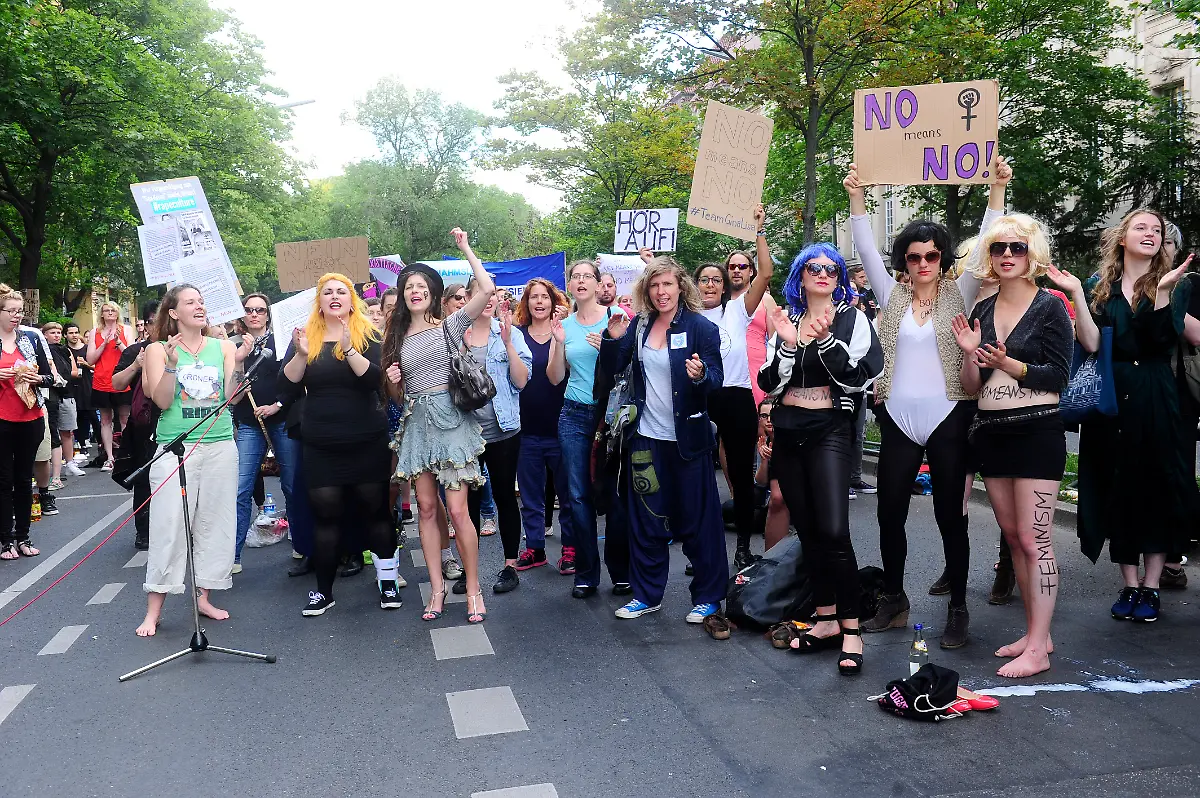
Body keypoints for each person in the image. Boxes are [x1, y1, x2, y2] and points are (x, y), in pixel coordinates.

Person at [845, 158, 1011, 648]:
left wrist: (996, 191)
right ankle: (894, 600)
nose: (923, 264)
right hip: (896, 415)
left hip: (948, 415)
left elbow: (984, 240)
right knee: (888, 512)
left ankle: (957, 607)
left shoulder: (958, 293)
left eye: (932, 256)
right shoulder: (888, 293)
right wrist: (857, 194)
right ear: (904, 261)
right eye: (915, 256)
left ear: (942, 259)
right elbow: (864, 247)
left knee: (948, 515)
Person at [1048, 209, 1197, 624]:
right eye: (1141, 227)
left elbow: (1159, 341)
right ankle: (1129, 584)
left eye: (1157, 230)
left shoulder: (1175, 285)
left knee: (1155, 486)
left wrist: (1163, 294)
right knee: (1117, 486)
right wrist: (1077, 291)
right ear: (1122, 237)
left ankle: (1151, 587)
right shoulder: (1101, 285)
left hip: (1153, 394)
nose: (1150, 234)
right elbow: (1093, 343)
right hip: (1110, 397)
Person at [954, 214, 1073, 678]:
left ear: (1032, 255)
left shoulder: (1050, 307)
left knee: (1034, 538)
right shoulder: (982, 312)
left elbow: (1058, 376)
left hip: (1037, 430)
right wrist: (969, 353)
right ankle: (1034, 633)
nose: (1007, 255)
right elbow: (971, 385)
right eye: (999, 247)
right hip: (992, 431)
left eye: (1017, 248)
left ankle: (1040, 648)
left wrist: (1011, 363)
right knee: (1015, 540)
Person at [758, 244, 884, 675]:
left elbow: (859, 376)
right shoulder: (786, 321)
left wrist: (826, 340)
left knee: (834, 529)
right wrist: (791, 345)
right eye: (814, 267)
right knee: (809, 530)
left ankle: (852, 628)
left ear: (839, 278)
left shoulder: (854, 319)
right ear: (801, 275)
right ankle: (826, 617)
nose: (824, 273)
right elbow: (769, 382)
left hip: (830, 430)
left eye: (831, 268)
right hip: (789, 430)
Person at [598, 257, 727, 624]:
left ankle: (708, 597)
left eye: (667, 285)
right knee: (647, 520)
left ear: (680, 287)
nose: (661, 292)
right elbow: (614, 366)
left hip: (688, 442)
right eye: (654, 286)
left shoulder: (700, 327)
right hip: (646, 440)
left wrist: (701, 375)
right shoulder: (639, 326)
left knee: (698, 521)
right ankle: (647, 594)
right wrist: (612, 335)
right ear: (647, 291)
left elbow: (716, 379)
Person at [383, 229, 495, 624]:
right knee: (427, 510)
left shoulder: (448, 326)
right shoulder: (394, 338)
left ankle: (475, 589)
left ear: (432, 290)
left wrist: (465, 246)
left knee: (458, 511)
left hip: (451, 424)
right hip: (417, 427)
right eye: (408, 286)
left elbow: (484, 288)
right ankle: (436, 589)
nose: (415, 291)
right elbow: (397, 397)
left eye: (421, 285)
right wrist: (394, 382)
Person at [282, 273, 399, 617]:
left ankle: (388, 584)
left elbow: (375, 382)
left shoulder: (370, 334)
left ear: (352, 299)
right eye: (327, 292)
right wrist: (301, 356)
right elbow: (286, 389)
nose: (334, 297)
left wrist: (348, 348)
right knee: (326, 517)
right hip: (321, 444)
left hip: (366, 440)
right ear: (319, 301)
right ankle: (323, 591)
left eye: (341, 292)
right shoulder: (305, 337)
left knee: (376, 513)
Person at [136, 285, 239, 636]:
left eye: (201, 301)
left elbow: (230, 397)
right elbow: (162, 402)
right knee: (168, 526)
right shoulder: (157, 349)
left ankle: (204, 597)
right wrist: (171, 366)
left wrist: (237, 362)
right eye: (191, 302)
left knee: (214, 523)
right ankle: (154, 609)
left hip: (219, 444)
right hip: (175, 447)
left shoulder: (223, 346)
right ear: (174, 312)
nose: (200, 306)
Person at [694, 203, 775, 570]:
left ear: (725, 286)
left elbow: (767, 273)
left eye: (717, 279)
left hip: (737, 397)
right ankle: (700, 549)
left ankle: (743, 547)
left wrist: (758, 228)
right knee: (696, 477)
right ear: (694, 287)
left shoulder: (737, 310)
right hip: (700, 398)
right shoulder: (686, 320)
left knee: (741, 477)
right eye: (704, 279)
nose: (710, 284)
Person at [549, 259, 628, 596]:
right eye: (575, 276)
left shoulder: (617, 320)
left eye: (587, 276)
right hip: (574, 414)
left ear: (599, 285)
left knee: (614, 494)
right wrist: (556, 342)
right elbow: (555, 378)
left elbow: (628, 369)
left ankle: (621, 571)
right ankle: (586, 573)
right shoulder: (563, 325)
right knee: (577, 495)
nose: (580, 281)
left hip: (609, 416)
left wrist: (610, 347)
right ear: (569, 285)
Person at [462, 280, 532, 593]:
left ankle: (510, 566)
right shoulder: (455, 334)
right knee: (470, 502)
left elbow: (521, 382)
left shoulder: (510, 333)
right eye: (481, 294)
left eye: (492, 294)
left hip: (503, 430)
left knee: (504, 496)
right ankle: (469, 569)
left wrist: (507, 344)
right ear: (468, 298)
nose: (488, 300)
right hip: (465, 432)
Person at [230, 293, 299, 573]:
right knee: (241, 488)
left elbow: (295, 380)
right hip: (249, 422)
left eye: (260, 309)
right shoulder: (234, 346)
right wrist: (239, 365)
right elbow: (232, 391)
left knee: (291, 484)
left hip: (281, 420)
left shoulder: (281, 342)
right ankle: (233, 555)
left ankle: (300, 540)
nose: (254, 314)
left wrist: (277, 405)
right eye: (249, 310)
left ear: (268, 314)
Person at [513, 278, 573, 573]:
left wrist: (558, 339)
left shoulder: (564, 332)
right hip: (526, 429)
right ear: (526, 303)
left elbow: (560, 376)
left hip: (562, 426)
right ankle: (535, 548)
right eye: (533, 297)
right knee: (531, 495)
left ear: (553, 302)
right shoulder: (516, 335)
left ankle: (570, 549)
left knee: (568, 493)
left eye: (544, 297)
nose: (539, 302)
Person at [0, 288, 51, 560]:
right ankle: (6, 540)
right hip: (1, 419)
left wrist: (37, 379)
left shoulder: (31, 338)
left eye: (20, 311)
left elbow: (52, 377)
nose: (17, 316)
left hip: (30, 417)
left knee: (24, 479)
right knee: (3, 480)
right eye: (11, 311)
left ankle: (23, 536)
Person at [111, 301, 159, 550]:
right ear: (145, 325)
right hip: (144, 424)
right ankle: (144, 530)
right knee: (144, 478)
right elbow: (117, 383)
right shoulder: (135, 351)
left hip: (177, 421)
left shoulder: (180, 348)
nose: (157, 325)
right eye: (152, 321)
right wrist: (136, 365)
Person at [86, 301, 135, 471]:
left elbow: (131, 355)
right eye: (106, 310)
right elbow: (90, 359)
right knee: (105, 420)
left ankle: (127, 453)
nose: (110, 313)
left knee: (125, 418)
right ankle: (109, 456)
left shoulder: (126, 330)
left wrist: (118, 342)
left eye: (113, 310)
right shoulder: (95, 332)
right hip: (102, 380)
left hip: (122, 379)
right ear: (101, 314)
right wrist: (104, 343)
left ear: (118, 312)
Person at [42, 322, 81, 488]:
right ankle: (47, 473)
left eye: (59, 332)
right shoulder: (42, 350)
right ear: (45, 334)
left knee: (66, 431)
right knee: (49, 434)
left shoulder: (65, 350)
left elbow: (74, 371)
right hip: (48, 394)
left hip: (65, 393)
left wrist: (60, 377)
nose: (57, 335)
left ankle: (69, 463)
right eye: (53, 332)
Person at [754, 397, 791, 549]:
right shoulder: (761, 441)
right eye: (764, 416)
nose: (769, 420)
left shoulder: (788, 439)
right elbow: (760, 483)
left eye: (772, 415)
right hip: (765, 498)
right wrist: (764, 460)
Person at [65, 322, 97, 456]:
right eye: (71, 333)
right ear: (65, 335)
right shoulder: (64, 349)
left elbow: (96, 366)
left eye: (76, 332)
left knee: (92, 415)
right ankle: (82, 443)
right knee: (78, 416)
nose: (74, 335)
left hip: (87, 384)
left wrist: (86, 364)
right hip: (72, 386)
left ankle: (101, 442)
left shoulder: (87, 348)